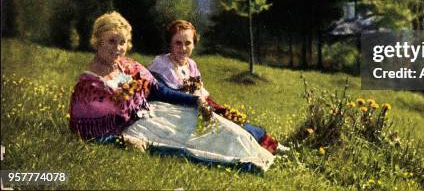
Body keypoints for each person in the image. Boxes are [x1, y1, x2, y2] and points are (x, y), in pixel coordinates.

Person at [69, 12, 274, 172]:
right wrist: (122, 141)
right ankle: (247, 162)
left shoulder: (127, 66)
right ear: (98, 41)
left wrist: (194, 102)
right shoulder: (89, 86)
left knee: (217, 126)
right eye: (111, 41)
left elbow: (159, 91)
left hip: (158, 111)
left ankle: (259, 151)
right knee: (195, 143)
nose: (118, 48)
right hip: (136, 130)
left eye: (122, 42)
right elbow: (87, 132)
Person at [148, 20, 288, 154]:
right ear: (170, 44)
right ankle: (261, 148)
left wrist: (207, 104)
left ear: (194, 44)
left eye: (188, 43)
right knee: (227, 130)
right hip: (180, 111)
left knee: (233, 120)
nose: (183, 48)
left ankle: (271, 145)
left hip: (202, 105)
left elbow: (199, 91)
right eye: (178, 43)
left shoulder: (191, 64)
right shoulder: (162, 64)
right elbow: (162, 93)